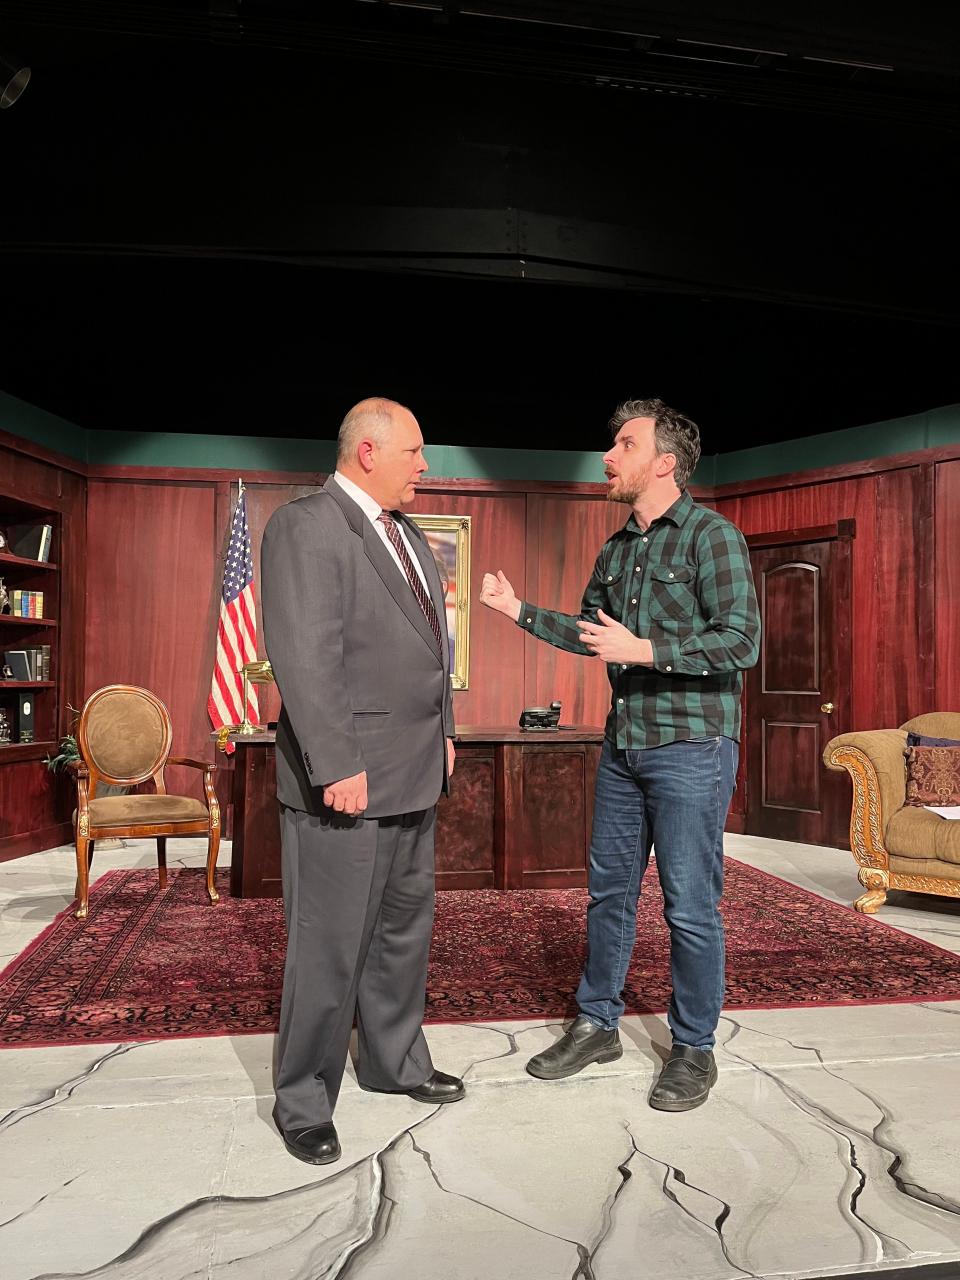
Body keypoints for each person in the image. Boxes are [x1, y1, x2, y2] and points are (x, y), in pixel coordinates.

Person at [480, 398, 760, 1112]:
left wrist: (648, 651)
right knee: (608, 896)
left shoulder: (712, 538)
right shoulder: (617, 549)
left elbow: (741, 642)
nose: (608, 457)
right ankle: (597, 1022)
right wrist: (519, 613)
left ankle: (693, 1048)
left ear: (664, 462)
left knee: (691, 906)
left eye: (624, 445)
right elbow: (587, 633)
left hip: (692, 748)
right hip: (625, 749)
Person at [261, 396, 463, 1166]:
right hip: (348, 777)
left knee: (401, 933)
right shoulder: (307, 525)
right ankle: (304, 1098)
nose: (425, 465)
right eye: (415, 451)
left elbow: (431, 648)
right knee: (329, 943)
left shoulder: (407, 532)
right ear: (370, 452)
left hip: (414, 770)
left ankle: (392, 1064)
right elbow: (306, 655)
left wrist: (444, 731)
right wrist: (337, 762)